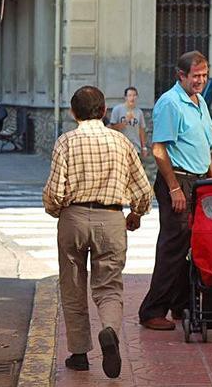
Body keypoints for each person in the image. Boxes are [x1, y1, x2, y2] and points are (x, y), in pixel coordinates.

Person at [43, 85, 152, 377]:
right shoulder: (121, 143)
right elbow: (143, 190)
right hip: (112, 218)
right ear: (104, 111)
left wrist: (60, 213)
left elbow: (54, 192)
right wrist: (136, 214)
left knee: (73, 285)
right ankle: (109, 330)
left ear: (72, 113)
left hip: (74, 218)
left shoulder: (65, 142)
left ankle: (79, 354)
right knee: (109, 286)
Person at [138, 51, 212, 331]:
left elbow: (206, 147)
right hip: (178, 181)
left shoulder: (201, 102)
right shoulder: (170, 102)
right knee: (173, 246)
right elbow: (159, 149)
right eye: (195, 76)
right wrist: (174, 188)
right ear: (180, 75)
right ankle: (152, 310)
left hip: (199, 181)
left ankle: (181, 304)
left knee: (192, 245)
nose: (201, 81)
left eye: (204, 75)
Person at [110, 86, 149, 158]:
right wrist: (126, 121)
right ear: (125, 97)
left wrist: (144, 147)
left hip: (135, 147)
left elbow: (141, 130)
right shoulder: (117, 109)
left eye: (134, 95)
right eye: (130, 95)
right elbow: (112, 128)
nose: (132, 98)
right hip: (120, 146)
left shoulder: (139, 112)